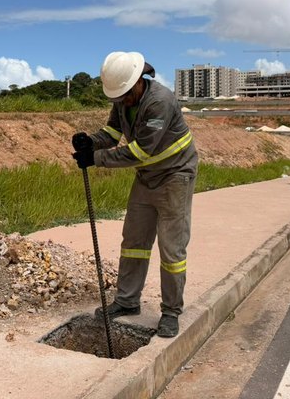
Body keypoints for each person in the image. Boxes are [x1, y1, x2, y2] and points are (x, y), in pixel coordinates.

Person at [71, 51, 198, 338]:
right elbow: (112, 133)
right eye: (117, 96)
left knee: (172, 248)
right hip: (148, 175)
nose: (121, 100)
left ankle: (170, 311)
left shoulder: (160, 101)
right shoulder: (123, 99)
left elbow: (142, 151)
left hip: (175, 175)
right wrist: (89, 142)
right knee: (134, 241)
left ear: (139, 80)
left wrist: (96, 159)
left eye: (125, 94)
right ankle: (127, 301)